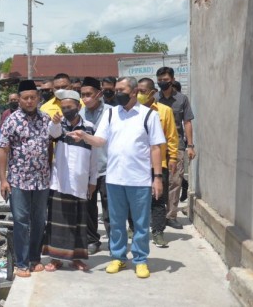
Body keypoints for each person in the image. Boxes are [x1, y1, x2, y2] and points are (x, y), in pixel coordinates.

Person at [68, 77, 165, 279]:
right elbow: (101, 140)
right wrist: (85, 136)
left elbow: (156, 148)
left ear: (134, 91)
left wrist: (157, 177)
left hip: (139, 179)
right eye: (117, 89)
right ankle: (118, 257)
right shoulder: (111, 114)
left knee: (140, 223)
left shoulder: (149, 116)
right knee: (116, 222)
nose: (117, 92)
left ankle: (140, 259)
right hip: (114, 179)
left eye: (121, 89)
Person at [0, 80, 52, 278]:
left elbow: (51, 146)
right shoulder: (11, 121)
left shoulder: (46, 119)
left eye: (33, 98)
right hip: (18, 180)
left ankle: (34, 258)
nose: (29, 101)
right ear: (19, 100)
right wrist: (3, 180)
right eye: (25, 98)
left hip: (42, 179)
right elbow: (3, 150)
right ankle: (21, 263)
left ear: (38, 98)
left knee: (39, 220)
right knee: (21, 220)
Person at [43, 89, 98, 272]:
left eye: (70, 107)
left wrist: (93, 180)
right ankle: (56, 259)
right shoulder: (60, 126)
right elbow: (54, 132)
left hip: (81, 182)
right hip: (60, 181)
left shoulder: (89, 127)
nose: (66, 110)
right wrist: (55, 122)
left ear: (78, 106)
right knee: (57, 222)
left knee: (79, 222)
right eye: (63, 107)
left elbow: (94, 156)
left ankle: (77, 259)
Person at [128, 78, 178, 248]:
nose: (139, 95)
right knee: (134, 198)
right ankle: (133, 227)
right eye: (137, 91)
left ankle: (158, 232)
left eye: (142, 91)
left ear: (152, 93)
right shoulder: (131, 111)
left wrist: (173, 158)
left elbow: (172, 136)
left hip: (158, 163)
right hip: (135, 163)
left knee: (158, 199)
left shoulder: (164, 111)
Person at [155, 67, 195, 230]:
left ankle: (171, 215)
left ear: (172, 80)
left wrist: (190, 145)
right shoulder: (154, 99)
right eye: (160, 80)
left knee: (175, 181)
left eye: (165, 80)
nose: (162, 83)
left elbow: (187, 123)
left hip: (176, 146)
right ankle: (156, 214)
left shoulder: (182, 99)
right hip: (155, 147)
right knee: (157, 180)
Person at [79, 76, 112, 254]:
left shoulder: (112, 112)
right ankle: (92, 239)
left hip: (108, 167)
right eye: (83, 95)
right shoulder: (80, 114)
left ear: (98, 94)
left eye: (89, 94)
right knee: (88, 206)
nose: (85, 98)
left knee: (110, 207)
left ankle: (114, 240)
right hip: (87, 169)